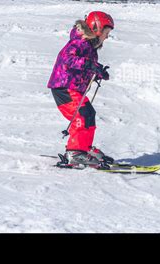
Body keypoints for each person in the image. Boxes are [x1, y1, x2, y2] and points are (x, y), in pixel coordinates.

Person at [47, 11, 115, 169]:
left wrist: (96, 72)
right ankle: (75, 152)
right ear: (96, 28)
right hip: (64, 87)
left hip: (72, 88)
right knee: (82, 116)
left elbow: (83, 64)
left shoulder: (89, 46)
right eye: (106, 33)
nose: (107, 37)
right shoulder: (80, 42)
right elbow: (68, 59)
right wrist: (90, 65)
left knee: (88, 114)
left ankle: (83, 149)